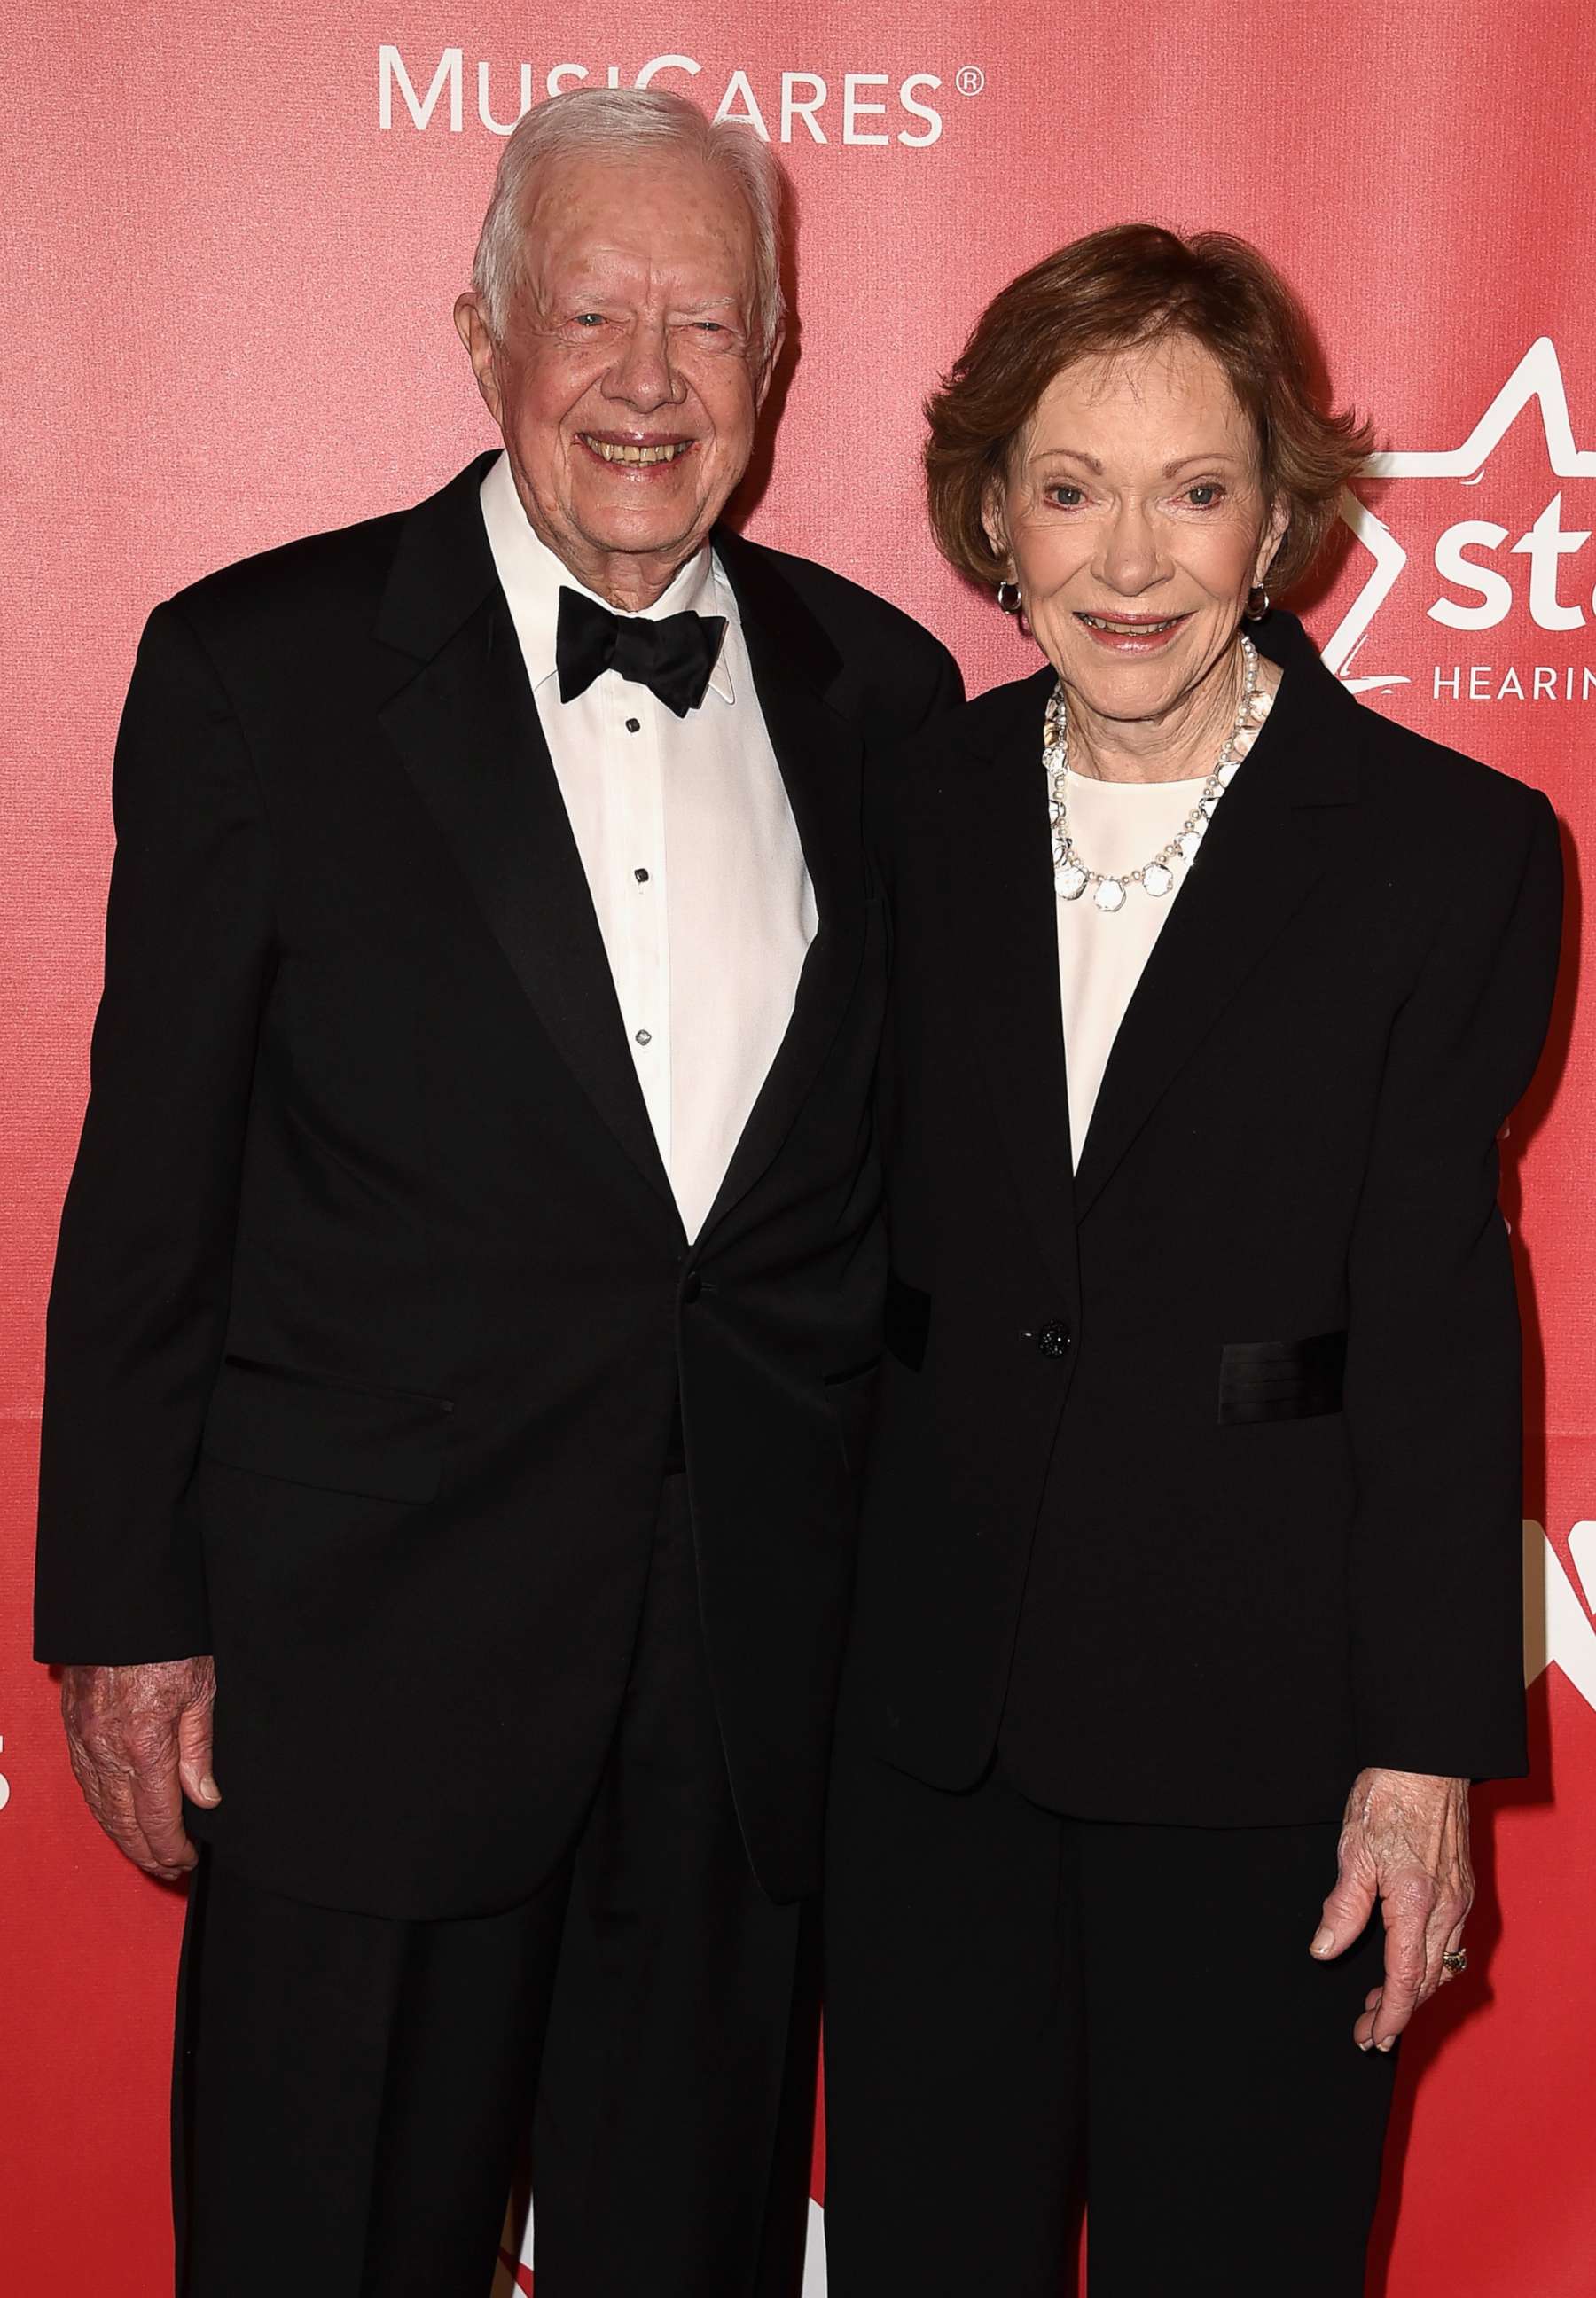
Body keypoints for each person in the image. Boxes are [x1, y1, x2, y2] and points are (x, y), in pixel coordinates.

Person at [33, 86, 958, 2298]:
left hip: (746, 1696)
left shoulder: (886, 694)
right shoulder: (257, 671)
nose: (649, 379)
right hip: (364, 1678)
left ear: (781, 363)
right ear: (481, 336)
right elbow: (149, 1185)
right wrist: (122, 1612)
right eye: (593, 313)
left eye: (708, 324)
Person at [822, 224, 1562, 2297]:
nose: (1127, 558)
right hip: (926, 1745)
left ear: (1280, 517)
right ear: (994, 513)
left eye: (1193, 489)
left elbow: (1435, 1324)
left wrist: (1423, 1762)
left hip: (1268, 1756)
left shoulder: (1450, 851)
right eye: (1070, 488)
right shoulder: (906, 807)